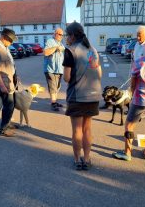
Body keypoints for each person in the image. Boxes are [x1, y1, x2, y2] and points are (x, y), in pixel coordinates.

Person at [63, 22, 102, 170]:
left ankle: (77, 159)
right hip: (93, 95)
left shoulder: (70, 50)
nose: (66, 38)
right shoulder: (93, 50)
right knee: (87, 128)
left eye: (67, 35)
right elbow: (99, 73)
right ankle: (87, 158)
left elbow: (67, 78)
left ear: (72, 36)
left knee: (77, 130)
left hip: (77, 95)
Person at [0, 28, 18, 137]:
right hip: (3, 83)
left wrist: (16, 75)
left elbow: (10, 64)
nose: (12, 42)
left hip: (10, 80)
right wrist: (1, 85)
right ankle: (3, 129)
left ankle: (8, 123)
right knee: (8, 105)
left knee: (11, 104)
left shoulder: (5, 47)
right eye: (11, 40)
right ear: (4, 37)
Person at [43, 28, 65, 111]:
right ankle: (53, 103)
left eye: (62, 35)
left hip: (59, 69)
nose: (61, 36)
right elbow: (45, 52)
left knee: (57, 87)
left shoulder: (61, 43)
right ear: (55, 33)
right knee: (52, 87)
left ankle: (55, 101)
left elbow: (63, 53)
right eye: (59, 34)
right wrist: (56, 48)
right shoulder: (50, 41)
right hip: (50, 69)